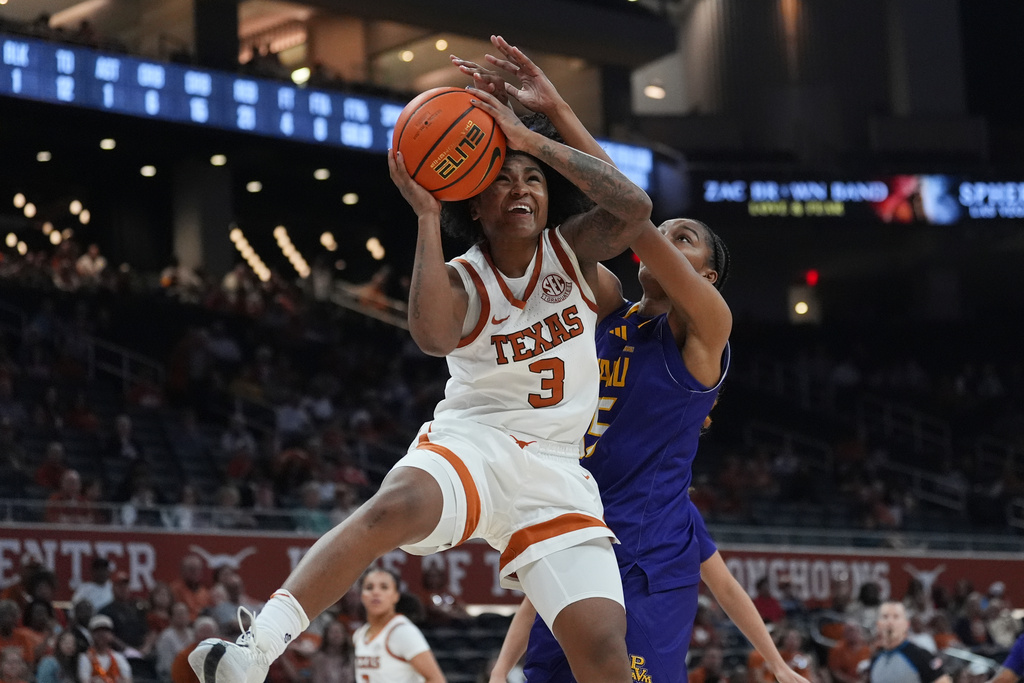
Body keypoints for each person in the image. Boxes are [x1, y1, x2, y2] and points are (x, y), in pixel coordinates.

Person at [190, 29, 653, 683]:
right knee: (389, 507)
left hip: (556, 471)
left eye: (533, 180)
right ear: (475, 198)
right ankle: (253, 651)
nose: (521, 187)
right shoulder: (465, 276)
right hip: (477, 443)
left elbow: (634, 207)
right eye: (504, 180)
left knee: (606, 649)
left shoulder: (574, 255)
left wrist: (533, 134)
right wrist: (427, 218)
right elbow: (432, 337)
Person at [462, 35, 800, 683]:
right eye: (668, 231)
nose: (666, 237)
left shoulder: (708, 331)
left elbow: (632, 215)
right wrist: (531, 144)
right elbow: (579, 231)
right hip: (575, 538)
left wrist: (553, 123)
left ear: (707, 276)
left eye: (686, 239)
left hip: (647, 561)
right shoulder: (608, 310)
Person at [352, 569, 443, 683]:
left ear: (396, 596)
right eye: (369, 587)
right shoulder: (359, 634)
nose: (375, 592)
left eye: (384, 587)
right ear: (362, 595)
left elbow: (436, 679)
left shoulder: (402, 632)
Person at [868, 602, 950, 683]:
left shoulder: (920, 655)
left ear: (906, 624)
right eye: (885, 617)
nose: (890, 622)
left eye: (896, 617)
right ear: (878, 625)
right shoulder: (875, 658)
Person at [77, 615, 132, 683]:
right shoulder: (85, 658)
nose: (101, 635)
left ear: (111, 634)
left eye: (105, 631)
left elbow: (127, 679)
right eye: (97, 631)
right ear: (91, 635)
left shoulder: (118, 657)